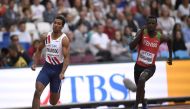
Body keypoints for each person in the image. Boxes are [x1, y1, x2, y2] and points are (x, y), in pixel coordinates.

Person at [126, 16, 172, 109]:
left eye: (153, 23)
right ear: (146, 25)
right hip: (138, 66)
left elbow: (170, 40)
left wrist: (170, 57)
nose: (151, 25)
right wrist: (140, 34)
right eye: (149, 23)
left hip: (150, 67)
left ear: (156, 25)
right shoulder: (141, 32)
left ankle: (136, 106)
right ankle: (144, 102)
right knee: (140, 88)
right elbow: (131, 47)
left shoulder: (160, 36)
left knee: (142, 80)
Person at [31, 15, 70, 109]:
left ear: (62, 26)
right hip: (47, 68)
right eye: (55, 23)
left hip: (57, 70)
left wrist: (62, 72)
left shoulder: (64, 39)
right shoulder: (46, 36)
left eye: (59, 24)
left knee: (53, 102)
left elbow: (67, 58)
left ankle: (56, 89)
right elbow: (39, 49)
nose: (56, 25)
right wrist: (35, 63)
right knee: (37, 92)